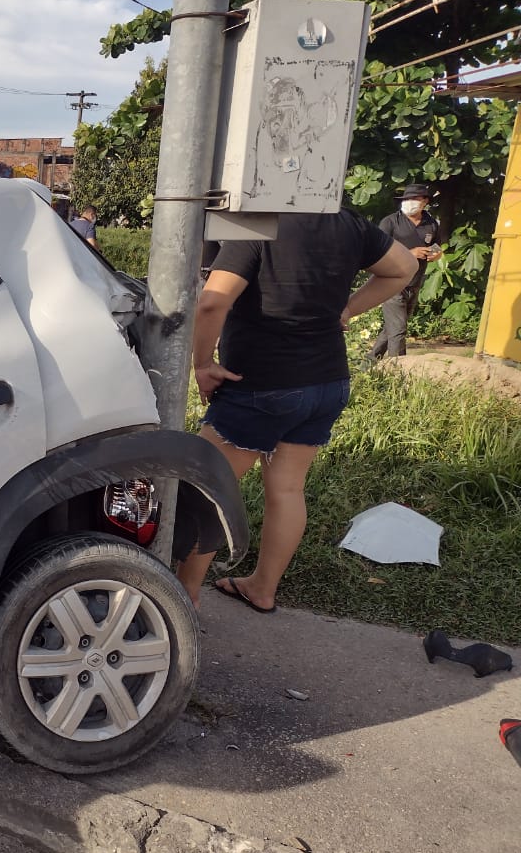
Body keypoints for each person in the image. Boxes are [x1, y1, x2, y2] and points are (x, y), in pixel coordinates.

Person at [176, 210, 417, 613]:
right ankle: (262, 588)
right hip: (326, 383)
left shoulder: (255, 225)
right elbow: (404, 266)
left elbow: (211, 304)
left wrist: (202, 364)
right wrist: (347, 309)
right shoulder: (346, 222)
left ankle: (182, 598)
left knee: (206, 490)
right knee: (287, 489)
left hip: (261, 386)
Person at [369, 183, 442, 360]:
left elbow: (436, 245)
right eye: (407, 199)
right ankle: (398, 370)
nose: (409, 202)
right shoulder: (390, 222)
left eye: (415, 199)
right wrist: (410, 253)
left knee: (393, 328)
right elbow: (376, 250)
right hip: (390, 281)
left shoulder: (431, 223)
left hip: (414, 282)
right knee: (399, 329)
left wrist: (437, 254)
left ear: (425, 201)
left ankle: (369, 363)